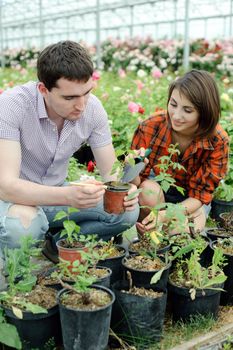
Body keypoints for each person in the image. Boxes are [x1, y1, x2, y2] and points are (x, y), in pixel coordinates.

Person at [0, 40, 139, 256]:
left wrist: (124, 189)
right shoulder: (12, 105)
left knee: (125, 211)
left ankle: (58, 244)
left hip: (58, 193)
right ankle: (17, 278)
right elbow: (7, 187)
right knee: (24, 227)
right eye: (70, 97)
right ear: (43, 89)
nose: (82, 105)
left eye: (87, 92)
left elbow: (110, 174)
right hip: (15, 200)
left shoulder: (92, 109)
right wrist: (67, 196)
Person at [131, 69, 229, 234]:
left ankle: (163, 235)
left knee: (181, 231)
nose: (176, 115)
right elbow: (135, 184)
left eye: (187, 110)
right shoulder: (151, 126)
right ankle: (150, 237)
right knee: (147, 191)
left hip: (190, 200)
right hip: (157, 189)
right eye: (173, 104)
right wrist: (132, 166)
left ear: (204, 112)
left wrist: (165, 216)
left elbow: (199, 195)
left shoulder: (217, 140)